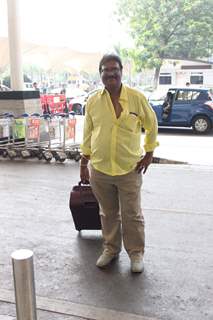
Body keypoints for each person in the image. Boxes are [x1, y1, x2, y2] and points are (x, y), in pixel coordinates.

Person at [80, 54, 159, 273]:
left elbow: (152, 124)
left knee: (132, 214)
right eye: (106, 70)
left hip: (129, 169)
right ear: (100, 74)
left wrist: (149, 153)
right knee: (107, 213)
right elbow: (87, 134)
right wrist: (83, 163)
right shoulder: (93, 101)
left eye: (115, 69)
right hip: (100, 168)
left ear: (122, 71)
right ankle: (111, 249)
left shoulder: (136, 98)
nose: (111, 73)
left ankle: (136, 254)